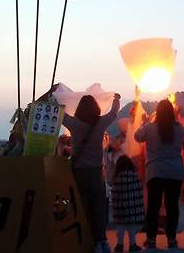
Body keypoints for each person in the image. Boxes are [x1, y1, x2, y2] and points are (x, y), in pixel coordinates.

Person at [62, 93, 121, 253]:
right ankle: (101, 242)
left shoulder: (74, 124)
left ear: (80, 108)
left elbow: (61, 115)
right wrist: (116, 99)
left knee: (82, 208)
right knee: (98, 209)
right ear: (95, 108)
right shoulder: (101, 123)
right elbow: (113, 113)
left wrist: (52, 100)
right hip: (96, 172)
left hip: (79, 172)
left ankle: (85, 240)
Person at [134, 99, 184, 249]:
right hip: (175, 171)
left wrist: (144, 122)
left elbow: (137, 137)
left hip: (155, 171)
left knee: (153, 206)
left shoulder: (150, 127)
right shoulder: (179, 128)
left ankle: (151, 239)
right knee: (172, 206)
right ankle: (171, 239)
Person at [111, 155, 144, 253]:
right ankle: (132, 244)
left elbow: (114, 194)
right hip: (133, 207)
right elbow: (139, 192)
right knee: (132, 226)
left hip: (120, 208)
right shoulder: (135, 176)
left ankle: (119, 244)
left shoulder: (116, 178)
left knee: (120, 226)